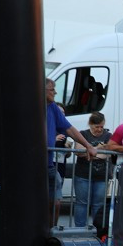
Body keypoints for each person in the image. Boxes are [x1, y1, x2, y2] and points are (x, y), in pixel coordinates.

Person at [46, 79, 98, 219]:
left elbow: (69, 129)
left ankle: (51, 234)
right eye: (52, 89)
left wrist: (88, 146)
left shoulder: (53, 108)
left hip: (49, 165)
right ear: (42, 90)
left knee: (55, 203)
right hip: (34, 165)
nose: (55, 92)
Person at [73, 112, 112, 229]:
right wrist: (98, 148)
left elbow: (107, 155)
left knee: (98, 205)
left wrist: (89, 152)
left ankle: (97, 231)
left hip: (101, 176)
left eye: (102, 126)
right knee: (81, 204)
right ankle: (79, 231)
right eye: (97, 127)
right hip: (82, 175)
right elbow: (79, 152)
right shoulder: (82, 134)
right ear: (90, 124)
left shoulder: (109, 136)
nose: (100, 129)